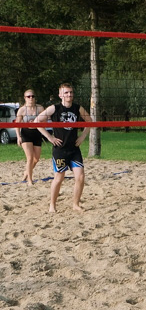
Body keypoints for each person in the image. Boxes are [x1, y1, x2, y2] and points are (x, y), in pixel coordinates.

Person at [35, 83, 93, 213]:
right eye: (66, 93)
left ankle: (75, 204)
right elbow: (37, 122)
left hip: (74, 149)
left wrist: (83, 136)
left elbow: (90, 121)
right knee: (59, 178)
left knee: (80, 177)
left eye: (71, 92)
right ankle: (52, 205)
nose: (69, 95)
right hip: (60, 149)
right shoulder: (54, 108)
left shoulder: (78, 108)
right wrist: (50, 138)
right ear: (60, 95)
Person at [15, 89, 45, 184]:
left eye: (32, 96)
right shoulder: (22, 110)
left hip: (37, 133)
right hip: (26, 133)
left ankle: (26, 172)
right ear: (25, 98)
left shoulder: (40, 108)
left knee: (36, 159)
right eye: (28, 96)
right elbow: (17, 124)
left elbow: (45, 121)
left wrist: (37, 123)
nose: (31, 98)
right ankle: (30, 180)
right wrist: (18, 137)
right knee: (30, 157)